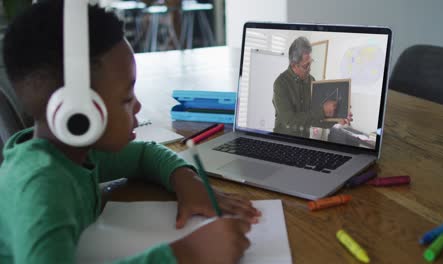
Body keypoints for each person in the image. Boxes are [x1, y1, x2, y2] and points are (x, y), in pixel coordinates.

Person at [0, 2, 260, 264]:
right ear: (78, 114)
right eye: (126, 98)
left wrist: (187, 182)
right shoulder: (42, 189)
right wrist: (187, 254)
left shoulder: (74, 153)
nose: (137, 106)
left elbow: (144, 155)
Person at [272, 36, 352, 138]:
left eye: (311, 63)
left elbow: (315, 120)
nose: (310, 69)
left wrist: (337, 119)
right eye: (306, 65)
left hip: (304, 142)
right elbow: (289, 121)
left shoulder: (311, 81)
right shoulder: (280, 83)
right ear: (293, 64)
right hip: (283, 142)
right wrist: (322, 111)